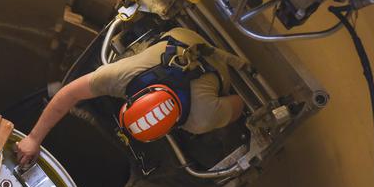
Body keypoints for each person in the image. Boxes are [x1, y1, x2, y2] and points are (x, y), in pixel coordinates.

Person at [15, 26, 247, 167]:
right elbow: (69, 93)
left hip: (198, 47)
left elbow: (240, 103)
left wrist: (35, 139)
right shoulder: (199, 118)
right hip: (198, 49)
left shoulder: (199, 119)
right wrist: (33, 139)